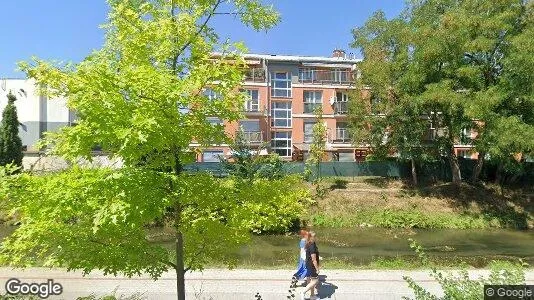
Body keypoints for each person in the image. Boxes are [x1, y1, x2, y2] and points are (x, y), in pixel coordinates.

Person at [300, 231, 320, 300]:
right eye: (314, 236)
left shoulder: (308, 243)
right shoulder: (312, 246)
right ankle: (303, 292)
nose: (316, 237)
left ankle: (312, 295)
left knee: (311, 280)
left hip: (308, 264)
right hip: (312, 266)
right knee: (315, 280)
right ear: (311, 237)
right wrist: (317, 269)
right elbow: (314, 259)